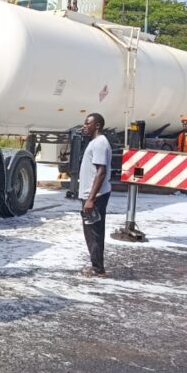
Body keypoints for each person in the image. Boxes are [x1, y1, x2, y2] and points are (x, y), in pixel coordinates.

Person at [79, 112, 112, 277]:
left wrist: (91, 199)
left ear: (97, 125)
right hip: (92, 195)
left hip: (96, 197)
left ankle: (98, 268)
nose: (85, 126)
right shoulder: (96, 142)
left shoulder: (100, 143)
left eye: (87, 123)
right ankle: (96, 265)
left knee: (94, 232)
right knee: (91, 232)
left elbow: (101, 171)